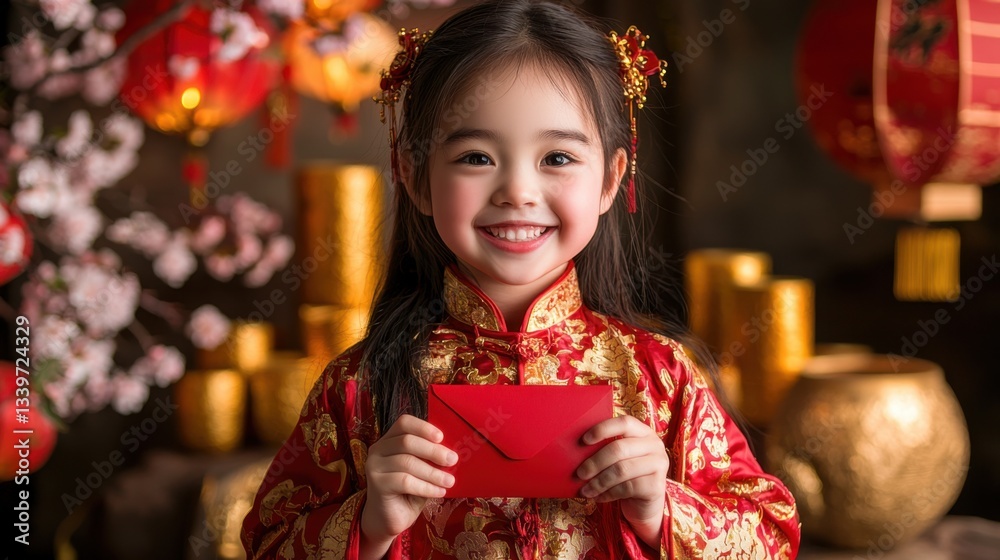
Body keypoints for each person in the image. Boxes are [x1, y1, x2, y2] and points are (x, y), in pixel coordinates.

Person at [241, 0, 800, 558]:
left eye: (557, 157)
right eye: (476, 157)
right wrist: (368, 523)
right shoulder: (358, 387)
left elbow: (772, 535)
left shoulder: (660, 377)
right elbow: (267, 542)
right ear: (414, 176)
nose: (518, 192)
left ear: (611, 179)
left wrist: (662, 510)